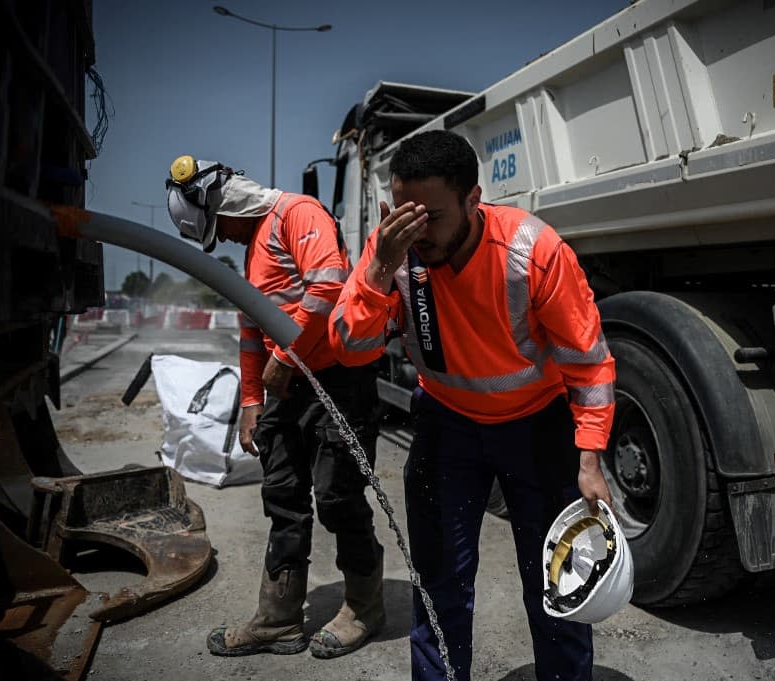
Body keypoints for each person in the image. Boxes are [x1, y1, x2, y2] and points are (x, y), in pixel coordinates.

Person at [328, 130, 616, 680]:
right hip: (447, 426)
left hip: (537, 427)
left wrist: (589, 456)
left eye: (432, 216)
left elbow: (589, 363)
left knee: (557, 584)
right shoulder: (393, 252)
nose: (418, 232)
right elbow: (350, 348)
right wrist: (378, 271)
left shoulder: (533, 251)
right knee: (439, 587)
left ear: (473, 199)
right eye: (405, 214)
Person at [164, 155, 385, 659]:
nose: (226, 239)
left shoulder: (296, 215)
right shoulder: (252, 253)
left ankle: (365, 606)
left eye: (221, 228)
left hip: (337, 381)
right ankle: (279, 619)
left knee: (337, 497)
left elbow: (327, 286)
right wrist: (249, 402)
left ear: (228, 204)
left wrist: (283, 360)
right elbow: (250, 331)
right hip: (288, 387)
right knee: (283, 498)